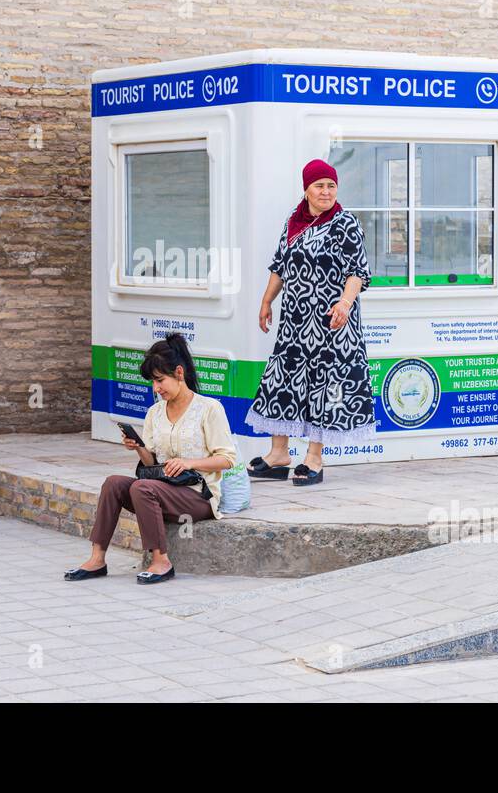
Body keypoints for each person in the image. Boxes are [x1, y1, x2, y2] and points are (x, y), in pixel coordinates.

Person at [65, 333, 237, 585]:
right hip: (161, 489)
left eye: (160, 380)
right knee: (113, 483)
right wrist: (138, 447)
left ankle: (161, 561)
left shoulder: (209, 408)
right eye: (153, 383)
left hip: (198, 495)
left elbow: (227, 459)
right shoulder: (154, 413)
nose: (156, 388)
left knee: (143, 487)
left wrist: (190, 462)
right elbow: (151, 466)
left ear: (179, 373)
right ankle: (97, 559)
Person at [245, 158, 376, 485]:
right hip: (295, 323)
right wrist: (265, 301)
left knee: (325, 387)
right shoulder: (294, 222)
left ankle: (314, 459)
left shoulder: (346, 223)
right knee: (282, 382)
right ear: (306, 189)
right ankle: (278, 455)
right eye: (319, 185)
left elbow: (357, 272)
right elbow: (280, 265)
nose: (326, 191)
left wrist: (345, 303)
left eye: (331, 185)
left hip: (332, 323)